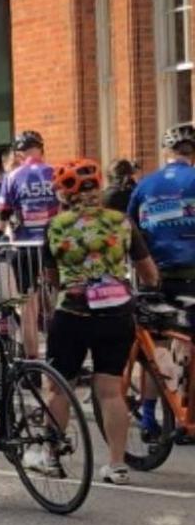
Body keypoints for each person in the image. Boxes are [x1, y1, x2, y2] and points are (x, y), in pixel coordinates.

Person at [42, 158, 158, 484]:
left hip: (73, 312)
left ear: (66, 193)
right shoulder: (121, 222)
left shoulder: (57, 225)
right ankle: (117, 465)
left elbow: (51, 276)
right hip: (117, 313)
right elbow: (148, 272)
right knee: (110, 391)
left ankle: (52, 458)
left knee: (58, 388)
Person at [126, 123, 195, 444]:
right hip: (191, 272)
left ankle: (151, 415)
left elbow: (131, 231)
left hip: (155, 274)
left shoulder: (145, 185)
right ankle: (187, 416)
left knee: (157, 348)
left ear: (166, 153)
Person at [0, 131, 58, 356]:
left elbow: (0, 218)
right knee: (58, 302)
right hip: (54, 244)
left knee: (28, 309)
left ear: (19, 154)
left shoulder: (12, 177)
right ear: (41, 149)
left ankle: (32, 365)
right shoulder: (55, 172)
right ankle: (59, 359)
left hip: (25, 246)